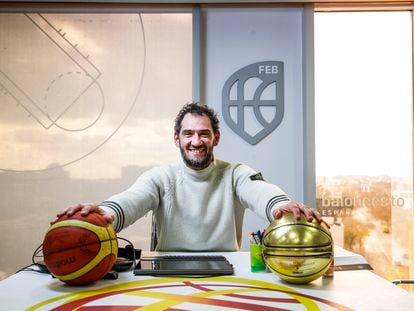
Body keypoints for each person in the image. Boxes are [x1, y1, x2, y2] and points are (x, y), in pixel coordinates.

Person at [56, 102, 325, 251]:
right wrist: (101, 214)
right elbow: (131, 200)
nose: (196, 141)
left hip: (227, 272)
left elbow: (260, 191)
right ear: (177, 139)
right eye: (188, 134)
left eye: (204, 133)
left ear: (215, 138)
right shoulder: (160, 177)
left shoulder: (236, 173)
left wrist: (282, 206)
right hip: (167, 272)